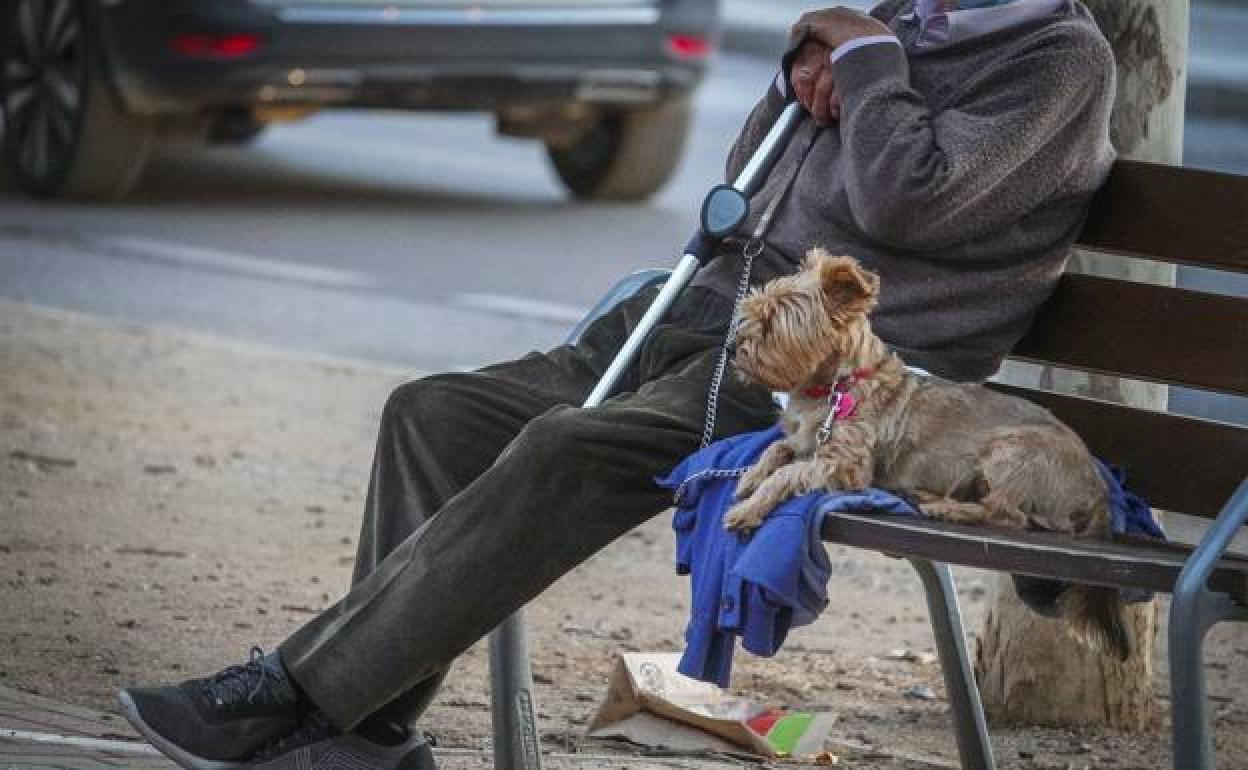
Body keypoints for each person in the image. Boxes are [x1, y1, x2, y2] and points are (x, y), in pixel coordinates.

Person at [119, 2, 1117, 768]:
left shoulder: (1058, 60)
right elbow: (753, 173)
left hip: (830, 377)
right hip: (709, 311)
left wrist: (862, 59)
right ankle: (371, 731)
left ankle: (295, 691)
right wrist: (814, 67)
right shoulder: (902, 20)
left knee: (566, 447)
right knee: (434, 414)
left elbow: (911, 202)